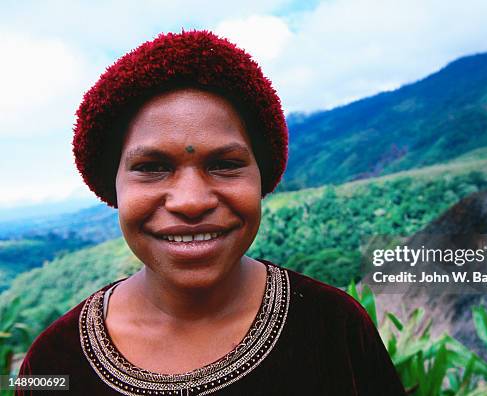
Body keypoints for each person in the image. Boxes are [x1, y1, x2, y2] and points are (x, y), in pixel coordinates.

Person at [18, 30, 405, 395]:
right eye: (153, 167)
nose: (190, 201)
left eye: (225, 163)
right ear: (111, 185)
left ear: (262, 176)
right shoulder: (53, 362)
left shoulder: (335, 329)